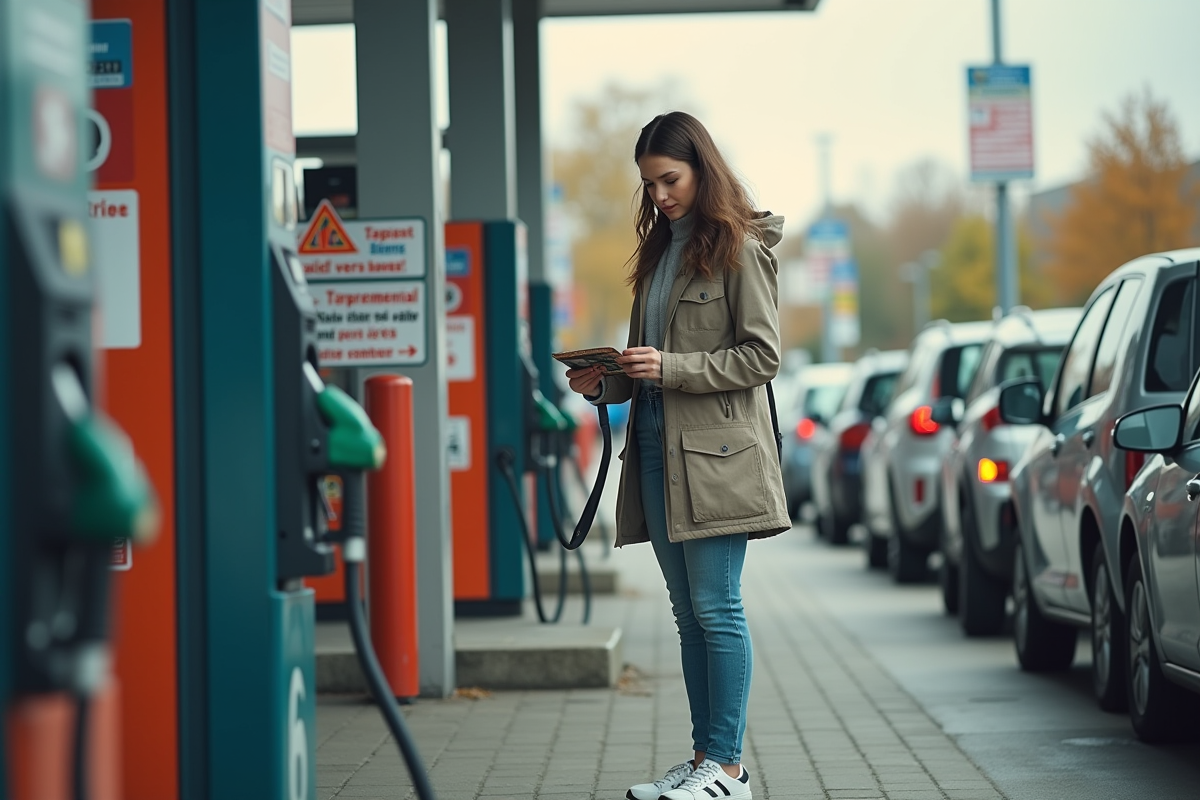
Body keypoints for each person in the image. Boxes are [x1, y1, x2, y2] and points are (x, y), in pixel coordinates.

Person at [565, 111, 790, 800]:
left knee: (717, 608)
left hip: (718, 458)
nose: (660, 194)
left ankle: (727, 769)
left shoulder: (739, 249)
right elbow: (652, 365)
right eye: (650, 184)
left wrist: (671, 368)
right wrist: (608, 381)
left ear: (702, 169)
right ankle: (703, 759)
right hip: (657, 451)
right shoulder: (660, 254)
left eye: (670, 179)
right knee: (686, 611)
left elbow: (762, 356)